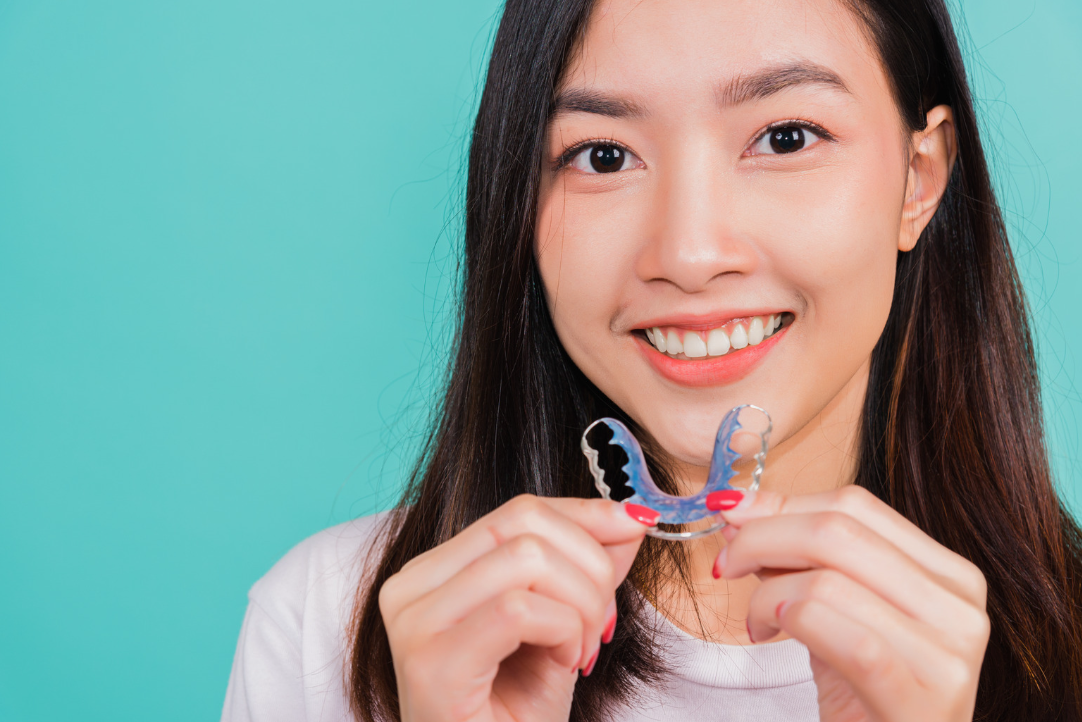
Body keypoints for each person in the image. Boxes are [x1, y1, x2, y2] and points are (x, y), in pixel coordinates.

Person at [222, 0, 1082, 719]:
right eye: (603, 156)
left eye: (785, 137)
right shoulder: (327, 629)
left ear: (918, 179)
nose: (689, 252)